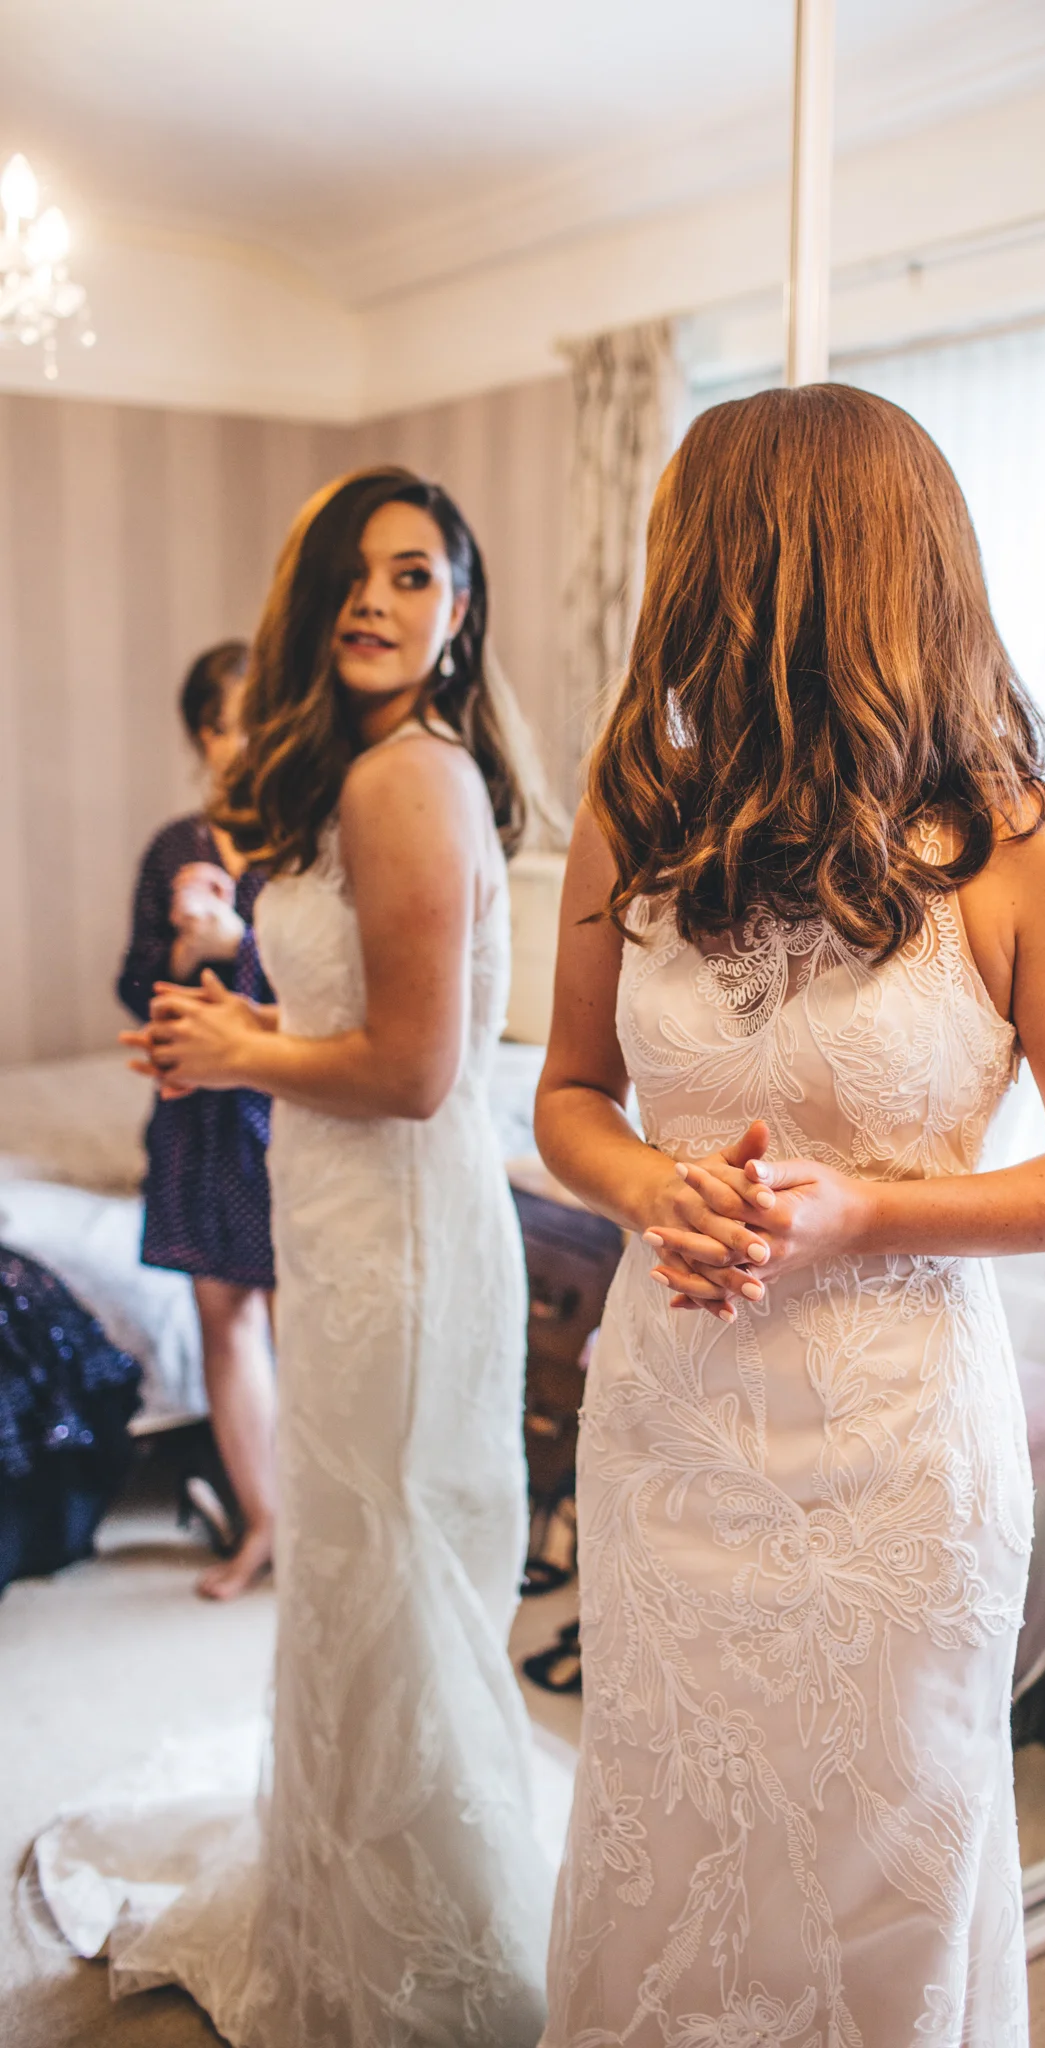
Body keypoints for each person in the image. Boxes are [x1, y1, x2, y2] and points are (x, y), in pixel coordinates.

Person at [534, 386, 1045, 2048]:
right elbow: (569, 1095)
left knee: (875, 1865)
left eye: (695, 543)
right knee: (665, 1819)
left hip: (894, 1458)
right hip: (673, 1422)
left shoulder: (1023, 844)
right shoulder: (635, 816)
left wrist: (866, 1209)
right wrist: (647, 1178)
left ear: (784, 572)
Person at [86, 467, 556, 2043]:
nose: (376, 598)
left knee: (398, 1574)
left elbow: (423, 1073)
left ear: (458, 611)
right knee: (360, 1570)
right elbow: (372, 1033)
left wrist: (240, 1050)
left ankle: (431, 1952)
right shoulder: (375, 773)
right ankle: (354, 1906)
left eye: (414, 574)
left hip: (404, 1243)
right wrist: (250, 1029)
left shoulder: (406, 781)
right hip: (355, 1224)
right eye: (354, 573)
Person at [118, 640, 277, 1599]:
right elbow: (135, 987)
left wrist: (241, 944)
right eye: (229, 723)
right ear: (203, 737)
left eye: (262, 717)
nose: (246, 740)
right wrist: (184, 950)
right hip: (196, 1123)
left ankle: (319, 1523)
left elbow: (331, 994)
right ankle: (263, 1521)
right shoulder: (173, 848)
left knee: (306, 1318)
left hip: (285, 1105)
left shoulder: (307, 841)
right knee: (224, 1319)